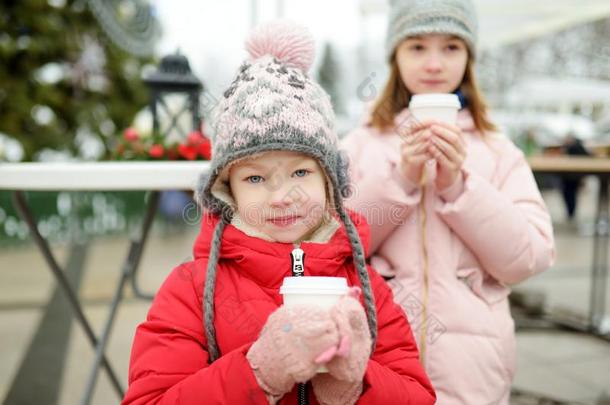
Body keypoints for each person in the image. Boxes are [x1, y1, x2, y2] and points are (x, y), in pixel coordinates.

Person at [122, 22, 435, 405]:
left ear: (329, 182)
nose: (282, 196)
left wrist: (356, 384)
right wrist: (257, 372)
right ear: (227, 190)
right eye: (255, 178)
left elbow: (417, 396)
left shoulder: (367, 287)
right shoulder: (191, 289)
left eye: (301, 172)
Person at [341, 1, 556, 403]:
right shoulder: (358, 146)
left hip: (474, 371)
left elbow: (529, 258)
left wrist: (459, 187)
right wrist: (401, 178)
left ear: (469, 56)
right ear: (395, 55)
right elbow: (331, 247)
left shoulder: (498, 152)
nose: (434, 63)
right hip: (373, 364)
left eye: (452, 47)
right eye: (417, 47)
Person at [560, 133, 591, 221]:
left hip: (571, 177)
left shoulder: (573, 147)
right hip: (572, 176)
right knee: (570, 195)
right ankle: (571, 213)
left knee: (569, 195)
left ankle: (571, 213)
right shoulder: (572, 147)